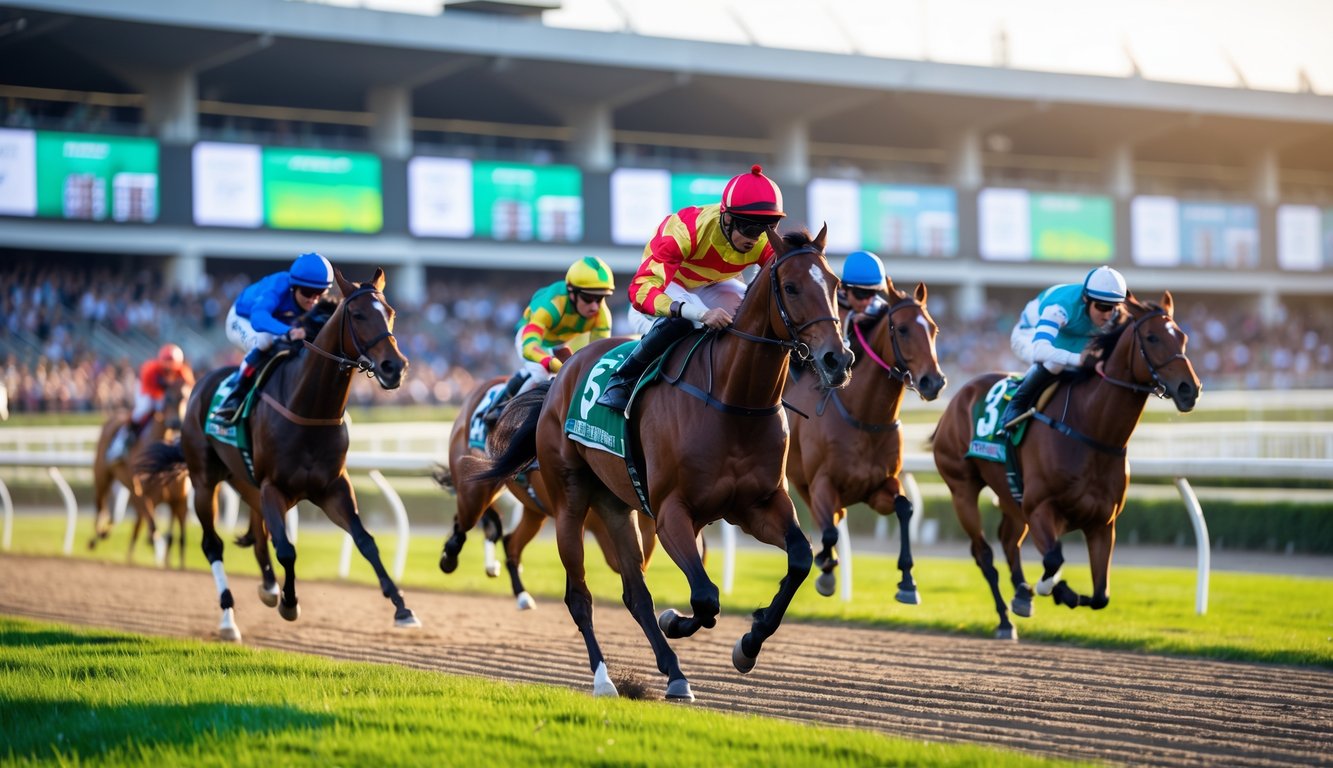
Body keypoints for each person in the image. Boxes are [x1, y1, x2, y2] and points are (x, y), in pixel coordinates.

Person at [596, 164, 786, 412]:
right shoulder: (685, 229)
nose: (757, 237)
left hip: (711, 285)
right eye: (751, 228)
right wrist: (701, 314)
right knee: (687, 321)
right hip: (666, 287)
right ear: (727, 219)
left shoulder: (761, 239)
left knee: (754, 313)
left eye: (767, 227)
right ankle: (622, 380)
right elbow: (640, 290)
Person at [480, 256, 616, 426]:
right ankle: (506, 412)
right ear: (572, 293)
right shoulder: (551, 305)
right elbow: (530, 346)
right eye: (588, 298)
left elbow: (598, 356)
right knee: (541, 372)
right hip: (530, 338)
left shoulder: (602, 316)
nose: (595, 306)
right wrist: (551, 363)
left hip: (558, 345)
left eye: (601, 298)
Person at [997, 265, 1128, 435]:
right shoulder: (1060, 308)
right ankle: (1016, 406)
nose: (1109, 315)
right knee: (1054, 362)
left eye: (1113, 307)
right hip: (1029, 334)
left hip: (1070, 334)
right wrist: (1077, 359)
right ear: (1087, 300)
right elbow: (1040, 350)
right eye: (1103, 307)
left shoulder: (1114, 313)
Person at [214, 252, 333, 421]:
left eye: (320, 292)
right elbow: (258, 319)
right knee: (265, 341)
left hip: (277, 321)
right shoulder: (278, 286)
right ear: (294, 286)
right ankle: (234, 396)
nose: (313, 299)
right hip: (242, 318)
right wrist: (287, 331)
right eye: (307, 292)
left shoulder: (311, 299)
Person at [108, 343, 195, 460]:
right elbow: (151, 392)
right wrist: (164, 400)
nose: (170, 370)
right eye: (167, 367)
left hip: (167, 396)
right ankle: (122, 441)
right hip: (147, 390)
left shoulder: (183, 372)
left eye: (173, 367)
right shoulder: (150, 370)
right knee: (144, 408)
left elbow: (190, 387)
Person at [838, 249, 888, 339]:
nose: (867, 302)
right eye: (861, 294)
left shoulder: (881, 309)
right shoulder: (829, 307)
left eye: (872, 293)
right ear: (845, 289)